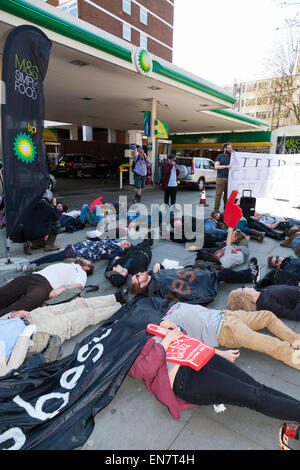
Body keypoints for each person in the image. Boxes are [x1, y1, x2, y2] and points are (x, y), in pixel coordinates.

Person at [128, 321, 300, 433]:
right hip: (186, 379)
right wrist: (165, 343)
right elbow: (142, 371)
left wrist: (175, 328)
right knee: (255, 396)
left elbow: (185, 338)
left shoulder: (152, 327)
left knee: (257, 388)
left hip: (201, 357)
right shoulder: (128, 349)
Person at [0, 281, 132, 376]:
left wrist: (11, 315)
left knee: (78, 303)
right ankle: (122, 307)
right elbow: (9, 370)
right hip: (36, 334)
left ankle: (117, 297)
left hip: (32, 316)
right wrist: (24, 337)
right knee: (83, 316)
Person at [158, 299, 300, 370]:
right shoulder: (166, 322)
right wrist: (220, 353)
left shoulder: (176, 304)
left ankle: (296, 340)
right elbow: (185, 342)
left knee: (267, 316)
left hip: (227, 315)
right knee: (271, 344)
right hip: (225, 331)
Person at [130, 258, 260, 304]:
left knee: (220, 274)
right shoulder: (156, 286)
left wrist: (158, 266)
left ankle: (248, 274)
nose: (139, 273)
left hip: (195, 279)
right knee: (222, 274)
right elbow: (175, 294)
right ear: (141, 285)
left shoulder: (154, 279)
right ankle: (250, 275)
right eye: (138, 277)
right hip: (199, 285)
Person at [0, 259, 94, 317]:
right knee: (6, 291)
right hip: (32, 277)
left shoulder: (82, 273)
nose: (83, 259)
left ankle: (3, 317)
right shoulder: (70, 263)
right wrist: (16, 278)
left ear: (87, 268)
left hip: (46, 285)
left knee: (29, 301)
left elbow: (80, 285)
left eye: (86, 261)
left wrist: (63, 289)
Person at [17, 238, 131, 272]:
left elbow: (112, 256)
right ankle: (32, 264)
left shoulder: (118, 249)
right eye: (126, 241)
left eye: (127, 245)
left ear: (125, 248)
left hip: (86, 253)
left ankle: (32, 264)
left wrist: (107, 254)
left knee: (57, 257)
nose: (126, 243)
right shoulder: (114, 241)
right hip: (82, 246)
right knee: (57, 256)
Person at [226, 285, 300, 321]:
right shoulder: (267, 304)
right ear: (246, 296)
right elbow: (296, 315)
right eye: (243, 288)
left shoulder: (260, 291)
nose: (245, 287)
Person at [23, 190, 60, 254]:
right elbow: (56, 217)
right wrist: (54, 205)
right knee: (56, 224)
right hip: (38, 232)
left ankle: (31, 244)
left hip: (26, 232)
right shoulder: (46, 206)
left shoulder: (30, 204)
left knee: (43, 242)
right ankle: (49, 246)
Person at [214, 142, 232, 212]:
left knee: (227, 196)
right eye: (229, 148)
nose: (230, 149)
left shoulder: (232, 156)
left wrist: (235, 153)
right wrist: (226, 166)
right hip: (221, 178)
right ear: (225, 149)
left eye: (231, 148)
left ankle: (226, 210)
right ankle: (216, 210)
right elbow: (216, 166)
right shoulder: (220, 156)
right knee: (218, 194)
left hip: (230, 179)